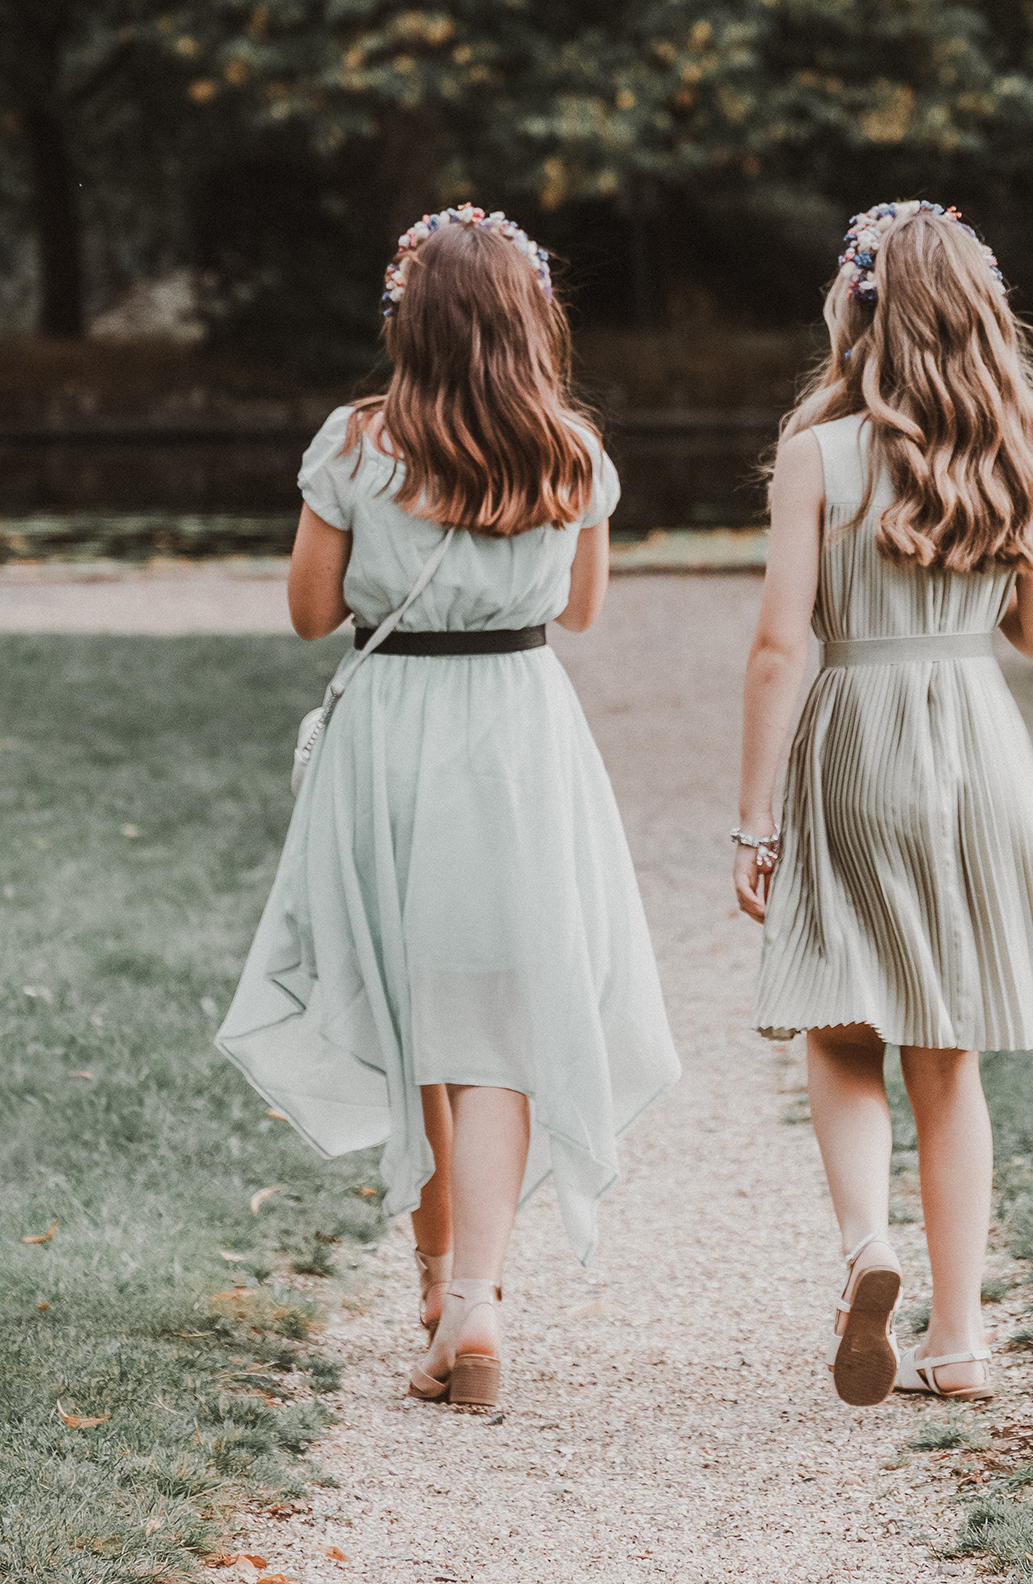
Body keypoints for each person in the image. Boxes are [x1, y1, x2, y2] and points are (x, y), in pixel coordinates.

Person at [217, 205, 680, 1411]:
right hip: (517, 734)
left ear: (404, 322)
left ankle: (438, 1288)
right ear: (532, 319)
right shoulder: (572, 450)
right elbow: (580, 613)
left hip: (394, 737)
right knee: (501, 1021)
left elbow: (310, 613)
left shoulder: (356, 445)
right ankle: (470, 1299)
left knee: (417, 1004)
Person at [733, 200, 1033, 1407]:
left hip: (854, 737)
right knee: (948, 1056)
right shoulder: (1018, 438)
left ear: (857, 305)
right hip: (974, 751)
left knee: (841, 1025)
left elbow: (779, 648)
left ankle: (866, 1246)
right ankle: (961, 1344)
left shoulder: (818, 454)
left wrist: (756, 820)